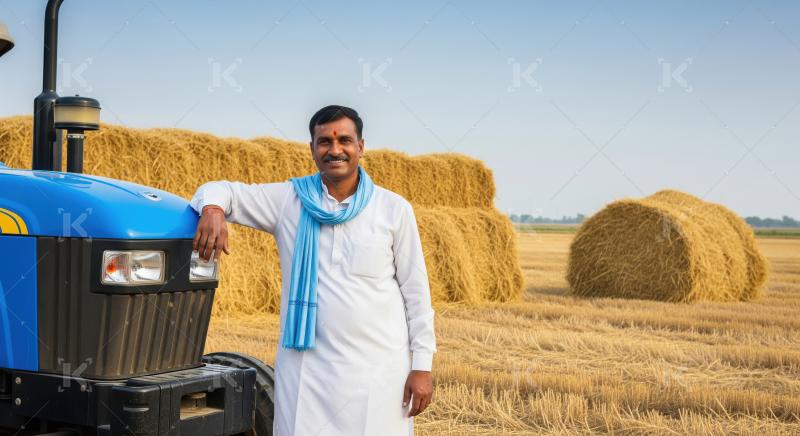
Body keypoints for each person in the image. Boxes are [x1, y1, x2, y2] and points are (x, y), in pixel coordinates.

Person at [190, 105, 436, 435]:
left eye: (344, 140)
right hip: (307, 373)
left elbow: (416, 294)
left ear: (361, 146)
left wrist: (422, 366)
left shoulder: (393, 209)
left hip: (378, 374)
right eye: (325, 142)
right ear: (312, 149)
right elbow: (219, 189)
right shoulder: (289, 200)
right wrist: (213, 209)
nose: (335, 150)